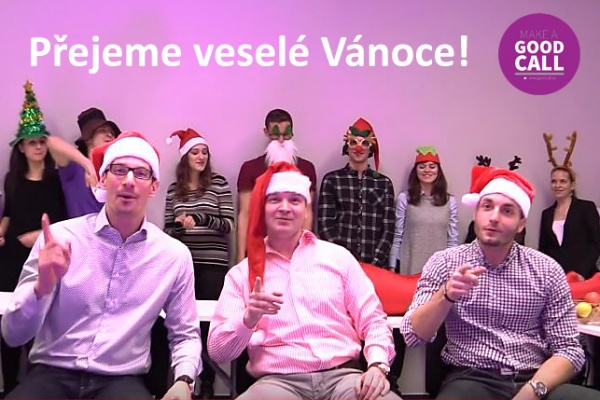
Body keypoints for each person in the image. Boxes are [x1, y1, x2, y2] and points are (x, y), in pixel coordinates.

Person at [1, 132, 201, 400]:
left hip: (120, 380)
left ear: (154, 187)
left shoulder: (172, 256)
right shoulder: (60, 239)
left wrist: (184, 380)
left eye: (141, 173)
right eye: (119, 170)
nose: (129, 181)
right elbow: (13, 335)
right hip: (51, 372)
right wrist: (41, 288)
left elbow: (185, 334)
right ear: (103, 179)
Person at [400, 165, 599, 400]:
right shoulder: (445, 262)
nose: (494, 217)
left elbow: (569, 350)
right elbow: (414, 335)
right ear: (475, 214)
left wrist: (531, 392)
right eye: (487, 206)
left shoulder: (546, 270)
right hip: (472, 378)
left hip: (536, 379)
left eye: (507, 211)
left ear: (521, 224)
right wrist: (446, 296)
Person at [208, 162, 400, 400]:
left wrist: (378, 365)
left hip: (345, 379)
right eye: (275, 199)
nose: (284, 208)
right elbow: (218, 352)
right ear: (262, 208)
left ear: (306, 210)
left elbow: (373, 319)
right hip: (278, 384)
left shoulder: (337, 257)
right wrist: (247, 319)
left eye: (294, 200)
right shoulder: (242, 274)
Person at [0, 80, 68, 395]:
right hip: (11, 257)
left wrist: (39, 238)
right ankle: (10, 384)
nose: (39, 147)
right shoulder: (12, 179)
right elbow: (9, 213)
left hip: (41, 256)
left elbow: (64, 220)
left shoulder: (56, 180)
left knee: (37, 318)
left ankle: (33, 385)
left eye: (42, 142)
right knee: (9, 318)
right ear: (21, 147)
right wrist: (2, 232)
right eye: (32, 143)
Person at [164, 128, 234, 399]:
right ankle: (183, 381)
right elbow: (167, 231)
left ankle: (207, 384)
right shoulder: (174, 190)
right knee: (183, 324)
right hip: (183, 266)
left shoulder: (218, 184)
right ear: (185, 157)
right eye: (195, 152)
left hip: (213, 264)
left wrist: (201, 219)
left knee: (208, 327)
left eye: (204, 152)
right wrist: (180, 227)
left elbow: (228, 224)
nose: (201, 156)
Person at [236, 109, 317, 263]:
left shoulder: (306, 169)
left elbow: (307, 211)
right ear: (266, 132)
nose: (281, 140)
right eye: (275, 134)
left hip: (295, 250)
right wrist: (240, 255)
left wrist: (305, 250)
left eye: (286, 134)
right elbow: (245, 214)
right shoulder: (250, 168)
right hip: (258, 247)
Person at [317, 117, 395, 268]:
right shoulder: (332, 180)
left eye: (364, 143)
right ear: (346, 147)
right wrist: (343, 261)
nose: (359, 148)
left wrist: (375, 263)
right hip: (339, 265)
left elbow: (388, 229)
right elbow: (325, 226)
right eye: (353, 142)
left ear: (371, 148)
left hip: (375, 267)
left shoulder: (384, 184)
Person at [389, 146, 458, 274]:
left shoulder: (450, 201)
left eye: (432, 166)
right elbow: (398, 235)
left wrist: (453, 268)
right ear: (416, 171)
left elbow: (452, 239)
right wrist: (392, 266)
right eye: (422, 167)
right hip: (409, 267)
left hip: (439, 270)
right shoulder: (404, 198)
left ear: (438, 171)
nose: (427, 170)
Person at [46, 107, 121, 218]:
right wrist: (88, 164)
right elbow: (50, 142)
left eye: (112, 132)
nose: (110, 135)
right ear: (88, 138)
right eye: (102, 131)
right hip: (79, 229)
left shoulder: (114, 171)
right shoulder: (74, 169)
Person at [539, 166, 600, 279]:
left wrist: (581, 272)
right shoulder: (546, 214)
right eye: (554, 181)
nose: (557, 185)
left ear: (572, 185)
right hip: (557, 277)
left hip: (584, 276)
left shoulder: (586, 208)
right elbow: (543, 250)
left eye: (563, 181)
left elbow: (595, 243)